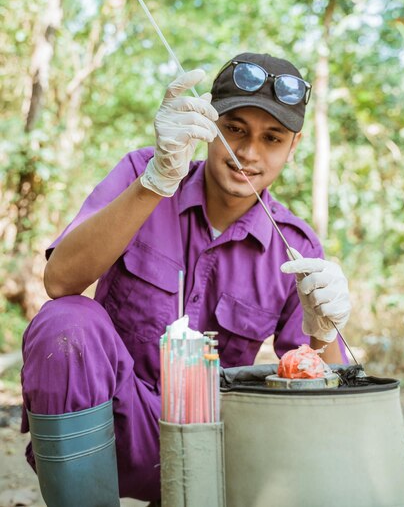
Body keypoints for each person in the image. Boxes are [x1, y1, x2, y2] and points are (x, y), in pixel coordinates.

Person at [21, 52, 351, 506]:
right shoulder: (143, 172)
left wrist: (324, 332)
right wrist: (155, 182)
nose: (248, 153)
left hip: (217, 443)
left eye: (271, 138)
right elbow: (59, 282)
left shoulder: (296, 247)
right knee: (65, 321)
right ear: (207, 123)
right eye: (234, 128)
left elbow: (327, 388)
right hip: (116, 424)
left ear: (293, 147)